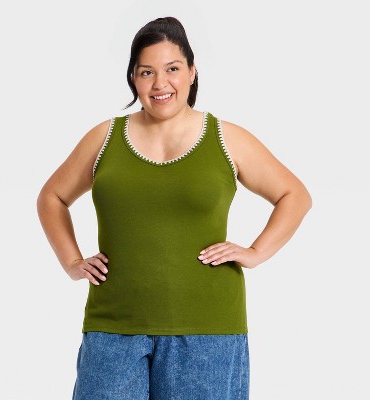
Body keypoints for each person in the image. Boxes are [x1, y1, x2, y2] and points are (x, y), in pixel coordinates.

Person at [37, 16, 312, 400]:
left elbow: (294, 195)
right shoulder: (104, 138)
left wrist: (255, 252)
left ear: (192, 72)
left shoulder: (227, 138)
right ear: (133, 78)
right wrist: (71, 262)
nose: (160, 83)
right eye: (146, 72)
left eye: (172, 69)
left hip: (208, 332)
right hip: (113, 327)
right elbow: (52, 197)